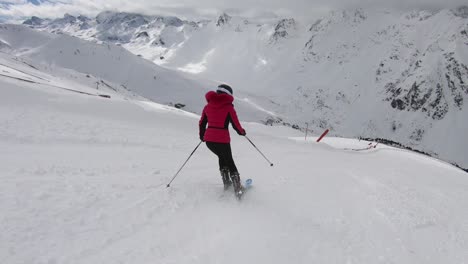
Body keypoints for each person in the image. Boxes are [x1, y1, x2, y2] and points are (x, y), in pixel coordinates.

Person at [199, 84, 246, 197]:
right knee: (229, 160)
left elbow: (202, 123)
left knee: (222, 158)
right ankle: (238, 188)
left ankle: (227, 183)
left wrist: (202, 136)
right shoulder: (228, 107)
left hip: (209, 141)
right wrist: (241, 132)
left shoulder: (207, 106)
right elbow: (235, 124)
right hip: (222, 140)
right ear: (229, 94)